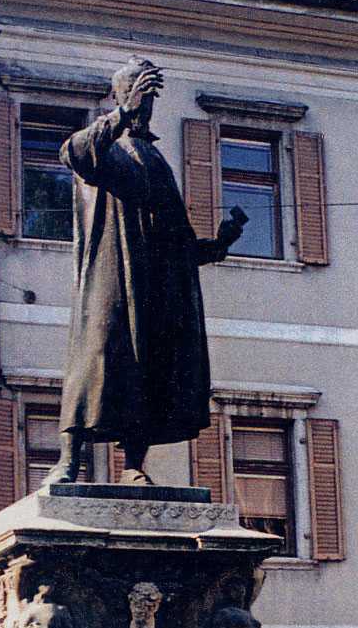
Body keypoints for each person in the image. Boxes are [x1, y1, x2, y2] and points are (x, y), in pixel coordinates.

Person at [44, 57, 247, 486]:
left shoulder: (157, 159)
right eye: (139, 94)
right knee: (96, 359)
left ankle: (134, 465)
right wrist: (121, 114)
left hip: (156, 284)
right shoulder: (106, 145)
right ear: (120, 96)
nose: (146, 104)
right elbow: (75, 153)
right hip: (112, 275)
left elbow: (176, 237)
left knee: (149, 367)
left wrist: (218, 244)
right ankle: (68, 460)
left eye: (150, 97)